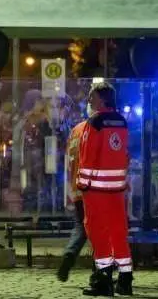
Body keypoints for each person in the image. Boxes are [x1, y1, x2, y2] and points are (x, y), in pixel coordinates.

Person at [77, 82, 133, 296]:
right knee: (119, 231)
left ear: (102, 99)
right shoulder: (121, 121)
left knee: (98, 232)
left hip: (96, 190)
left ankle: (103, 281)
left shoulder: (95, 122)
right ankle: (125, 280)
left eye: (92, 97)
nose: (90, 100)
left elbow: (87, 157)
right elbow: (124, 154)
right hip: (117, 189)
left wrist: (82, 183)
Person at [57, 117, 89, 282]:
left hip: (77, 188)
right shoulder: (94, 128)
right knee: (101, 230)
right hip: (94, 189)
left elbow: (68, 159)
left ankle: (70, 253)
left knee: (80, 227)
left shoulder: (75, 131)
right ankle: (103, 271)